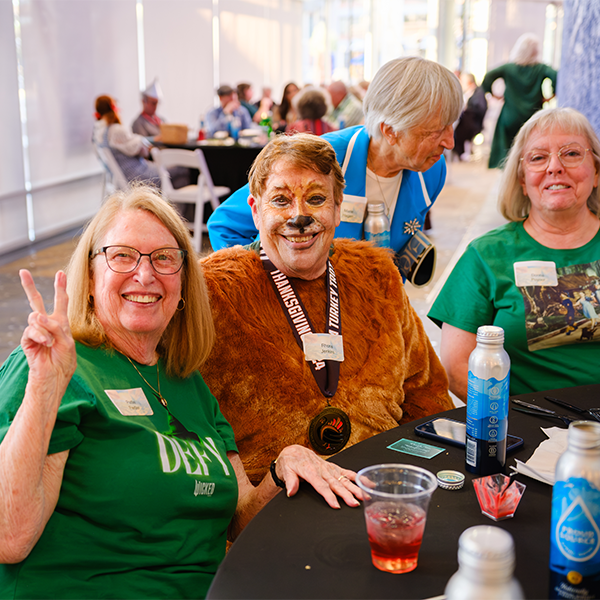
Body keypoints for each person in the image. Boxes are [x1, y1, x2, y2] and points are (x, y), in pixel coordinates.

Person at [0, 185, 362, 599]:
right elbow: (9, 539)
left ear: (183, 285)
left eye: (164, 258)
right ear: (91, 276)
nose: (145, 274)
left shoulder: (188, 383)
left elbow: (239, 517)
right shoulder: (53, 365)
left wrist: (285, 464)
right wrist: (43, 391)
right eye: (122, 256)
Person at [200, 134, 453, 485]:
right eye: (281, 200)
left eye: (316, 199)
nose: (299, 217)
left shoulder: (377, 276)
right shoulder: (214, 292)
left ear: (337, 209)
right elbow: (189, 427)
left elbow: (426, 391)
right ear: (256, 211)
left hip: (380, 485)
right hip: (275, 497)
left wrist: (419, 478)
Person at [207, 57, 463, 264]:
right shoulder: (320, 159)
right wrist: (271, 289)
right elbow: (225, 225)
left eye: (451, 126)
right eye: (435, 131)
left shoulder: (432, 170)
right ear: (390, 131)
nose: (450, 142)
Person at [428, 107, 600, 398]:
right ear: (522, 181)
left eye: (571, 153)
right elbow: (457, 368)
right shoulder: (485, 255)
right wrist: (509, 420)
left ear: (595, 172)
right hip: (523, 420)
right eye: (538, 157)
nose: (554, 167)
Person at [482, 33, 557, 169]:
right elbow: (555, 75)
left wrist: (494, 95)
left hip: (510, 116)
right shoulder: (540, 68)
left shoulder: (509, 68)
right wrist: (551, 96)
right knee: (530, 149)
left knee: (506, 154)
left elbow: (488, 77)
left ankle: (508, 175)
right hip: (532, 116)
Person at [93, 94, 160, 187]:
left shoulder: (100, 133)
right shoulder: (116, 131)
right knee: (177, 171)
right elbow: (141, 150)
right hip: (136, 176)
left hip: (123, 178)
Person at [453, 73, 487, 161]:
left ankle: (461, 153)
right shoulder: (470, 93)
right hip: (468, 122)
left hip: (472, 123)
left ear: (469, 82)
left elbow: (480, 109)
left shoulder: (478, 93)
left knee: (457, 132)